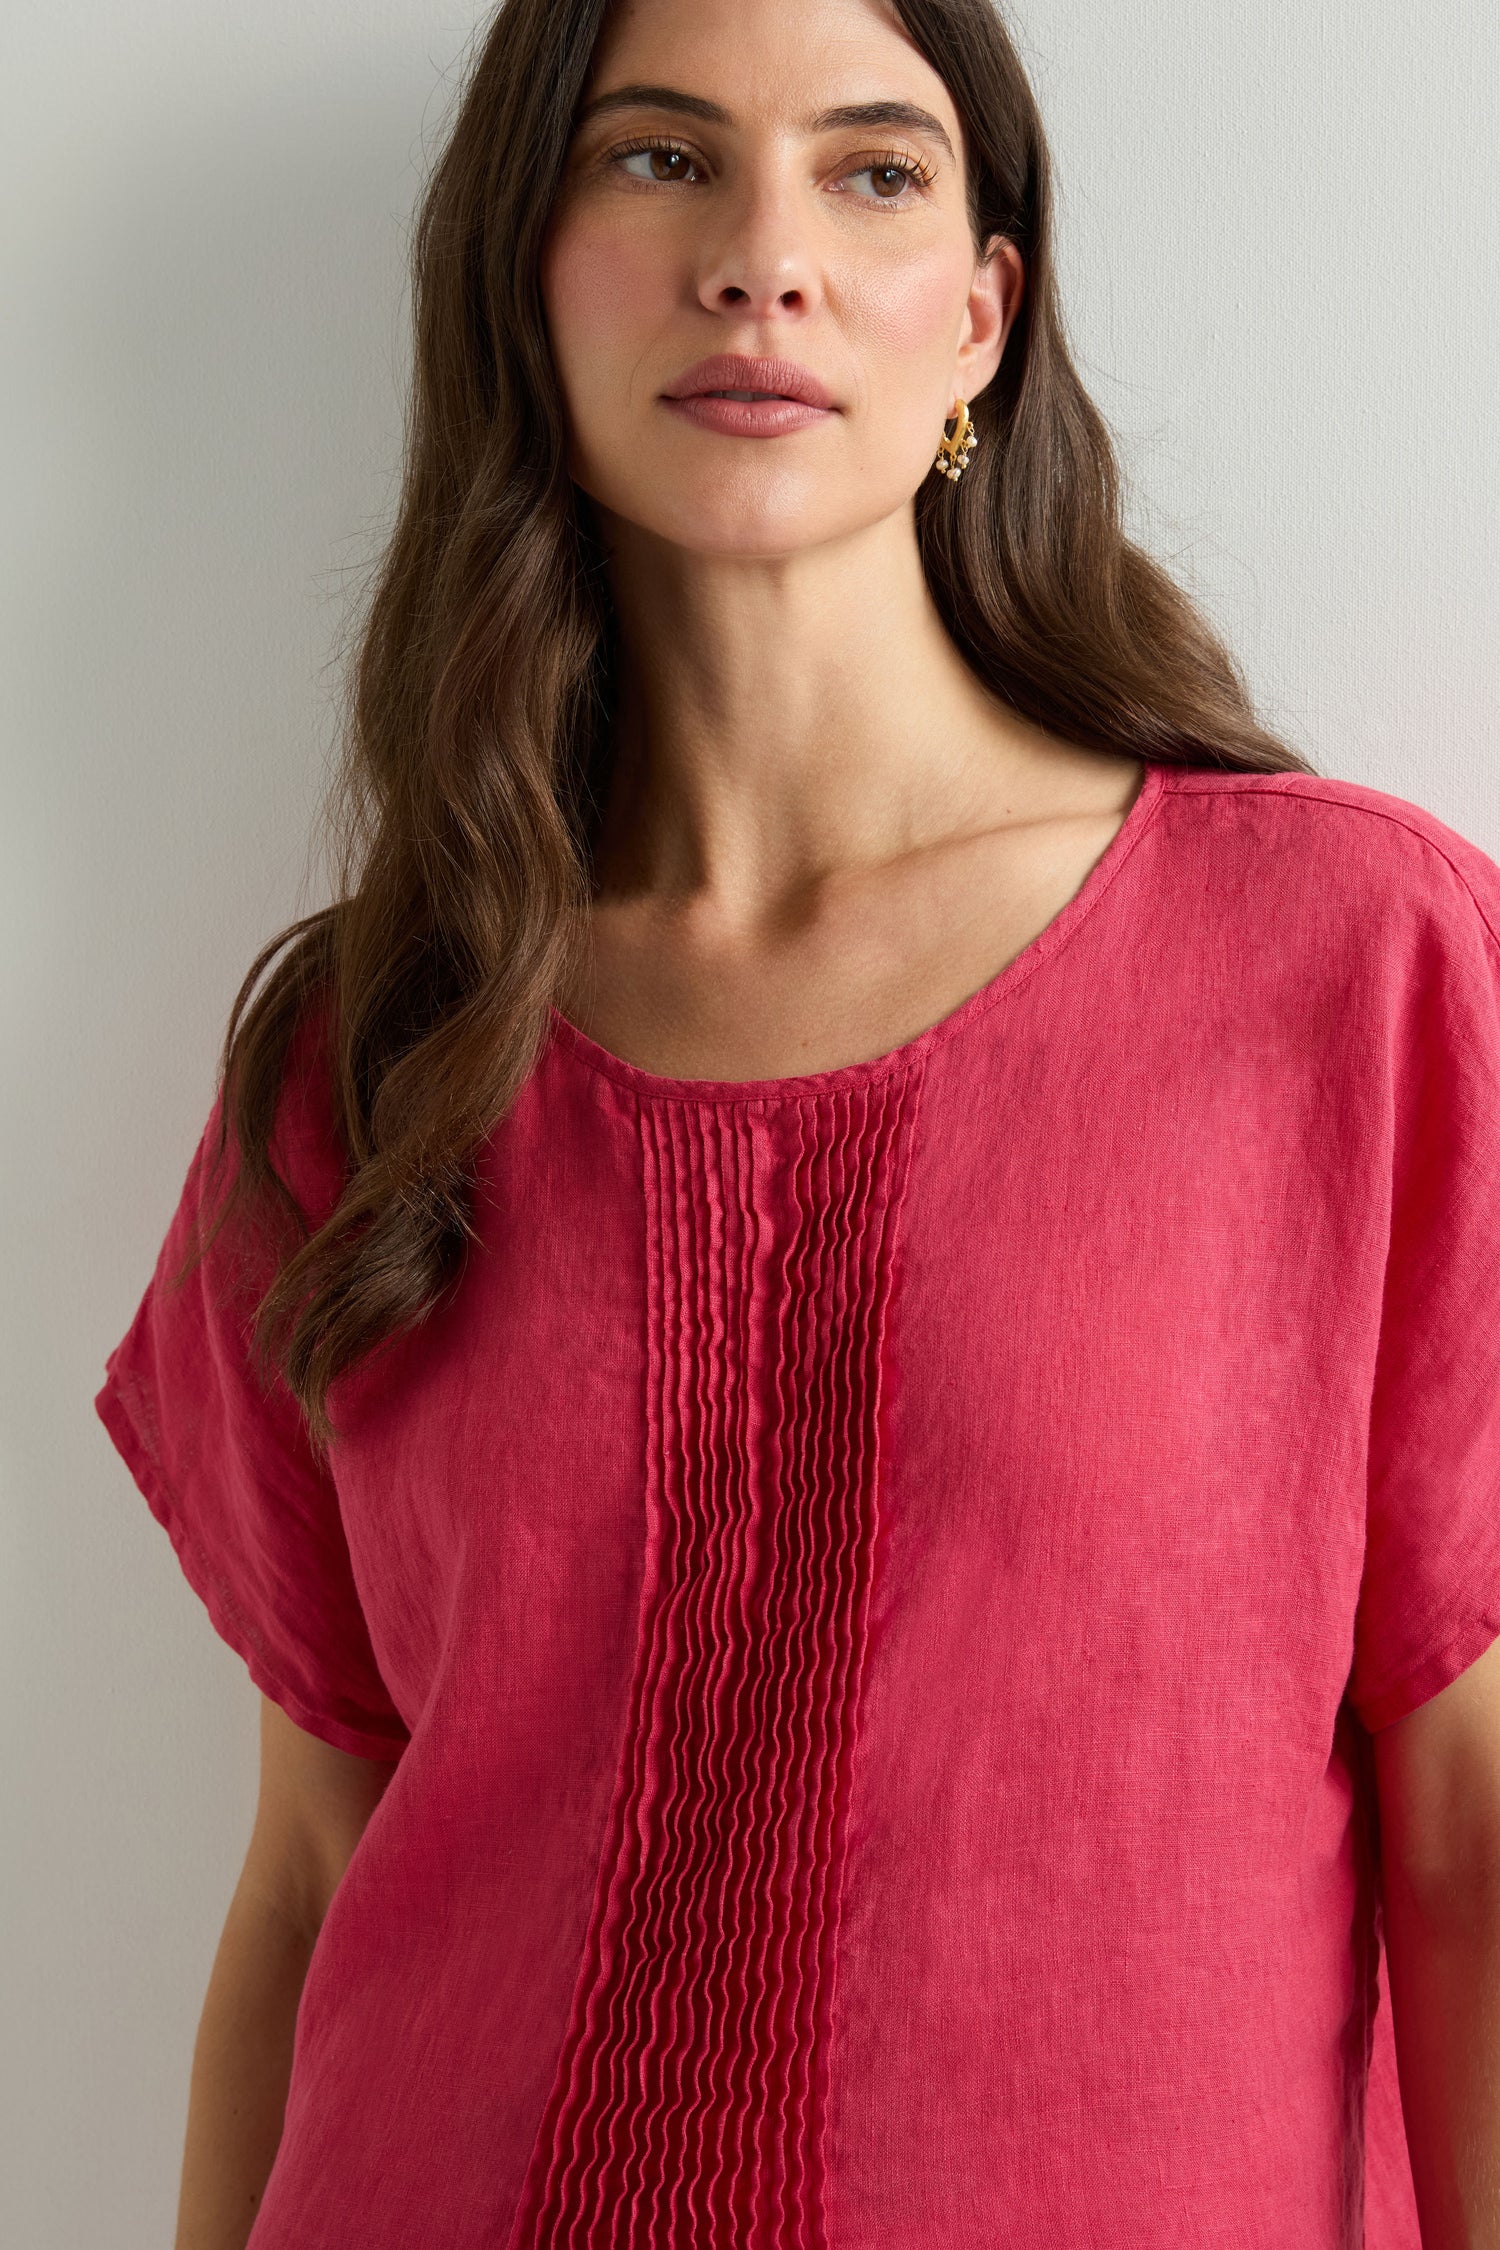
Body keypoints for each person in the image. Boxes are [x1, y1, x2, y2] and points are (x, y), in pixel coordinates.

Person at [93, 0, 1500, 2244]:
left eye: (870, 171)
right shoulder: (373, 1047)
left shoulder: (1357, 968)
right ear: (522, 278)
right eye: (658, 162)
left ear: (980, 321)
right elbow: (309, 1875)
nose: (765, 256)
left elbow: (1471, 1840)